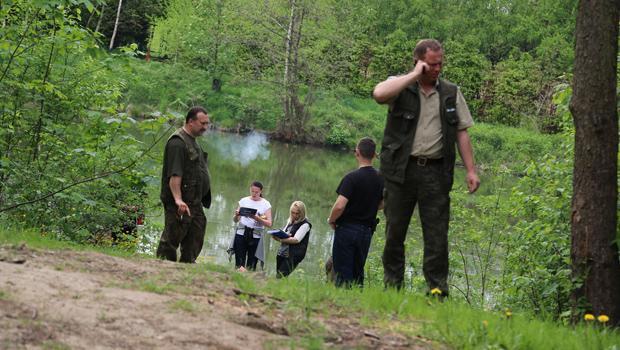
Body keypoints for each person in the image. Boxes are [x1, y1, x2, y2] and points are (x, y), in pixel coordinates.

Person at [372, 39, 480, 296]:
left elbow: (462, 131)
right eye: (432, 64)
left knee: (437, 237)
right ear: (419, 62)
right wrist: (413, 76)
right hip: (401, 171)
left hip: (435, 173)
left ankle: (437, 293)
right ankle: (392, 289)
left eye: (440, 63)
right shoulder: (400, 86)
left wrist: (471, 170)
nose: (437, 68)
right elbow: (378, 94)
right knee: (394, 232)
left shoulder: (451, 92)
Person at [156, 106, 212, 263]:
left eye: (207, 123)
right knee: (171, 238)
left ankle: (186, 269)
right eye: (202, 123)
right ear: (190, 121)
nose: (205, 127)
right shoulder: (177, 143)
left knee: (196, 234)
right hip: (180, 202)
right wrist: (178, 200)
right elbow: (175, 175)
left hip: (194, 201)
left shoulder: (193, 142)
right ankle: (161, 267)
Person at [327, 137, 384, 287]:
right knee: (358, 272)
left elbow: (340, 206)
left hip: (347, 229)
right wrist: (370, 207)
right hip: (366, 231)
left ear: (357, 153)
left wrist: (331, 220)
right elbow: (385, 202)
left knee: (343, 274)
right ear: (374, 155)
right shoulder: (381, 179)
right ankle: (356, 303)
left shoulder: (351, 178)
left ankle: (342, 305)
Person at [232, 181, 272, 271]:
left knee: (252, 265)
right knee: (239, 263)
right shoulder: (243, 201)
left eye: (256, 192)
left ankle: (249, 280)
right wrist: (236, 215)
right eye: (252, 191)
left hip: (256, 235)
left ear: (261, 191)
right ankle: (236, 280)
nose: (254, 194)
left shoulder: (266, 204)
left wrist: (257, 218)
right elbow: (235, 221)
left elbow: (269, 224)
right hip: (241, 233)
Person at [272, 201, 312, 278]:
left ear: (302, 213)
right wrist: (276, 234)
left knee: (281, 276)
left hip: (294, 254)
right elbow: (285, 233)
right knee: (278, 274)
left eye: (297, 213)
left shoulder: (305, 224)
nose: (294, 215)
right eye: (293, 212)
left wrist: (280, 240)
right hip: (283, 251)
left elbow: (296, 240)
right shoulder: (290, 221)